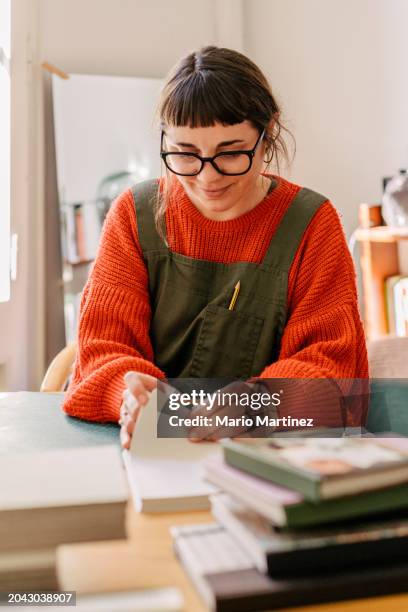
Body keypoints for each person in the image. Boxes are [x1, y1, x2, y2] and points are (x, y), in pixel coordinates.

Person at [62, 46, 368, 447]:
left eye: (231, 153)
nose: (207, 176)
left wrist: (260, 401)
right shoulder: (133, 215)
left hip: (264, 453)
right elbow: (101, 351)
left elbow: (335, 369)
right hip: (141, 446)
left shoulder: (312, 223)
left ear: (267, 133)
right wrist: (129, 392)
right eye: (185, 154)